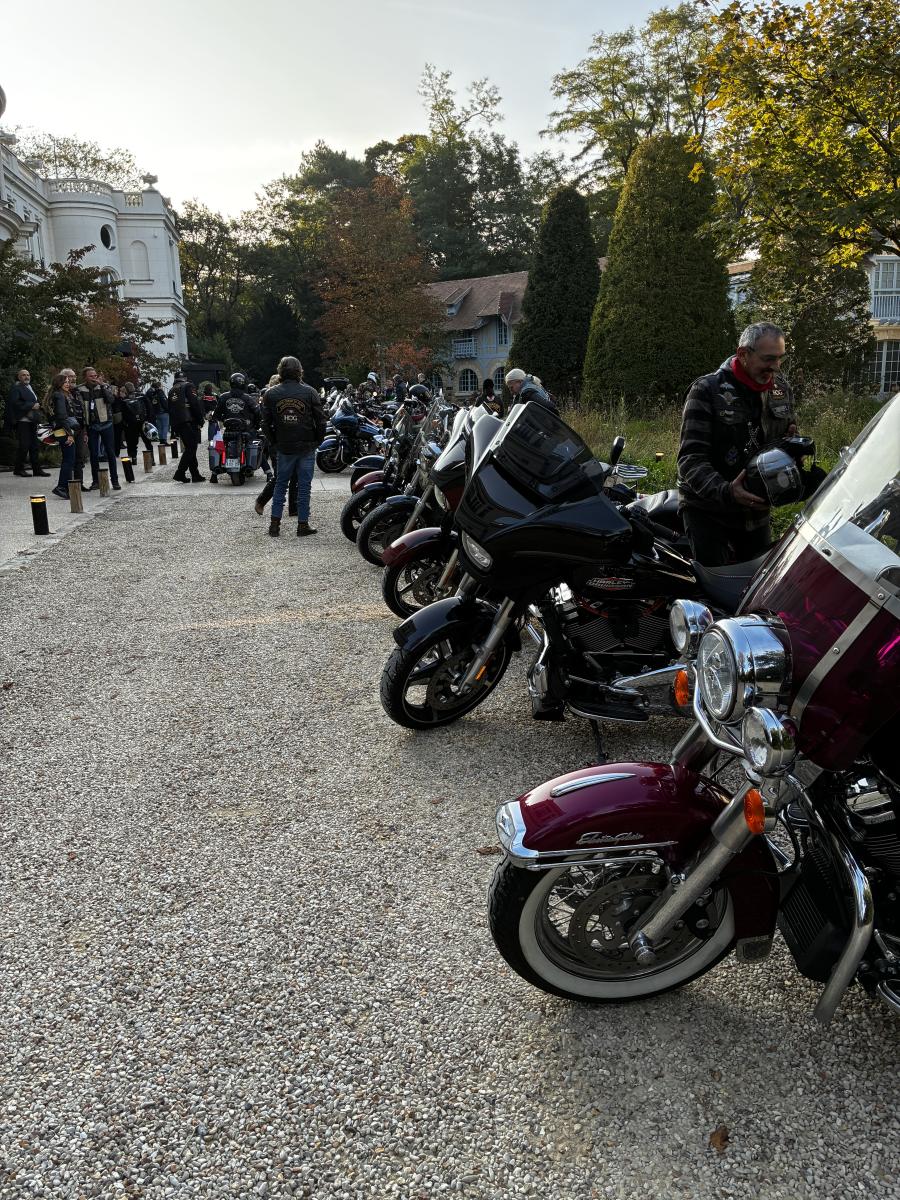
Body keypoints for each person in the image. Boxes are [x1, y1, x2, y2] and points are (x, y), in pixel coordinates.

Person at [677, 321, 798, 568]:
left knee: (756, 580)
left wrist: (794, 448)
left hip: (756, 512)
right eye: (768, 359)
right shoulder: (706, 390)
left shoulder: (780, 388)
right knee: (715, 582)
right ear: (743, 354)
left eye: (780, 359)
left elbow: (787, 436)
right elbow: (690, 460)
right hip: (708, 511)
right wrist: (727, 491)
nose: (776, 367)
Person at [262, 356, 326, 538]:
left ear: (280, 371)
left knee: (280, 485)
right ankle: (302, 525)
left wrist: (274, 442)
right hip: (306, 445)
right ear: (299, 371)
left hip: (284, 446)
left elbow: (265, 423)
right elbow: (321, 420)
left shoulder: (270, 394)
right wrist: (318, 441)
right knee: (304, 487)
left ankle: (274, 526)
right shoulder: (310, 392)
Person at [78, 367, 121, 491]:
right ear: (85, 377)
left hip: (106, 423)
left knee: (110, 452)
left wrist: (102, 386)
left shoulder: (104, 387)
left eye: (95, 376)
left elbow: (111, 400)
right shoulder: (80, 389)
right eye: (91, 376)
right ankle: (96, 481)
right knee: (94, 454)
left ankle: (115, 480)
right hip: (91, 425)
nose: (94, 378)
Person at [46, 372, 83, 499]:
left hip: (60, 430)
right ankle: (61, 487)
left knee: (68, 459)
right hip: (64, 431)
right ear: (59, 384)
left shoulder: (56, 395)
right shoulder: (59, 396)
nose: (68, 384)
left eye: (68, 382)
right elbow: (62, 417)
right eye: (65, 382)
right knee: (69, 460)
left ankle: (64, 487)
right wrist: (70, 434)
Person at [9, 369, 49, 478]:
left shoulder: (29, 387)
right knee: (24, 445)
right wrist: (31, 405)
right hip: (23, 421)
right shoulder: (16, 388)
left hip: (32, 421)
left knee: (34, 446)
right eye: (23, 375)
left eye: (28, 375)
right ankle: (19, 469)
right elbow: (15, 403)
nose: (26, 377)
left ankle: (37, 469)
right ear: (19, 377)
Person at [168, 372, 206, 482]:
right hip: (189, 421)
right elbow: (194, 404)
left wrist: (173, 427)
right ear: (185, 378)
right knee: (191, 448)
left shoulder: (172, 390)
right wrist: (200, 419)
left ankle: (195, 474)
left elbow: (169, 408)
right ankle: (180, 473)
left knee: (190, 448)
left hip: (178, 423)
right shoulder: (188, 386)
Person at [117, 382, 153, 463]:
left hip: (131, 423)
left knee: (132, 442)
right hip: (143, 421)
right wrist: (148, 419)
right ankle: (152, 459)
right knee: (147, 441)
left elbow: (122, 412)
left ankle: (134, 458)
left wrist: (125, 423)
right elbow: (149, 407)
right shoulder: (142, 396)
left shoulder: (124, 399)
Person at [149, 379, 170, 445]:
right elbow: (164, 403)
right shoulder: (160, 393)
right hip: (163, 412)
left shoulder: (153, 394)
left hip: (157, 413)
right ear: (159, 386)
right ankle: (164, 440)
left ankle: (161, 440)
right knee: (165, 426)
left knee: (159, 427)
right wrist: (168, 410)